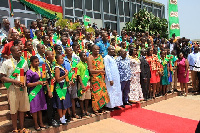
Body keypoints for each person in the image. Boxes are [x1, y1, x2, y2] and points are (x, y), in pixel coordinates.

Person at [0, 46, 30, 133]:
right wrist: (15, 81)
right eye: (18, 50)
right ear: (12, 52)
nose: (20, 51)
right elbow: (2, 77)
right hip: (12, 87)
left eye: (20, 50)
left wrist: (24, 82)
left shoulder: (24, 62)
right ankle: (15, 129)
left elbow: (24, 73)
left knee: (22, 109)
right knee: (13, 109)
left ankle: (22, 128)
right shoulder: (7, 63)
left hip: (22, 87)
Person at [26, 56, 48, 131]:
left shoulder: (40, 70)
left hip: (40, 91)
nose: (37, 63)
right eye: (35, 61)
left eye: (38, 61)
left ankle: (41, 123)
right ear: (31, 63)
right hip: (34, 92)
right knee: (35, 109)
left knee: (40, 108)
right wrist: (37, 83)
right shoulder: (29, 72)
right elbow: (27, 84)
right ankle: (36, 124)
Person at [87, 45, 109, 114]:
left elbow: (102, 66)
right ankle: (95, 109)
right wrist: (100, 71)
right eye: (95, 49)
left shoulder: (100, 57)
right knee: (96, 94)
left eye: (98, 49)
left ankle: (101, 107)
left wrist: (102, 71)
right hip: (95, 79)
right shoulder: (90, 58)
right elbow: (91, 70)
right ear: (92, 50)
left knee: (102, 93)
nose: (97, 51)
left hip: (101, 78)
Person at [54, 54, 71, 124]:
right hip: (59, 86)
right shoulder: (57, 68)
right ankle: (61, 117)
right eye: (61, 58)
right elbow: (57, 79)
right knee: (60, 102)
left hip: (64, 85)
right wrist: (65, 75)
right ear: (57, 60)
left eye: (63, 58)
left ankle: (63, 117)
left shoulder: (62, 67)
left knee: (66, 102)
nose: (62, 60)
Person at [64, 47, 80, 119]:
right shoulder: (64, 60)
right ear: (66, 52)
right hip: (67, 82)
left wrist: (75, 78)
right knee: (67, 98)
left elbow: (76, 70)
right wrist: (69, 81)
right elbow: (64, 72)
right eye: (69, 50)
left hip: (74, 81)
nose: (71, 51)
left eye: (71, 50)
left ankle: (74, 113)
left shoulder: (75, 60)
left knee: (73, 98)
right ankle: (68, 114)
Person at [45, 50, 59, 127]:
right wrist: (49, 90)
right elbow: (45, 79)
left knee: (53, 104)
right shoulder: (45, 65)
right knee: (49, 105)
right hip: (48, 88)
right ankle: (50, 120)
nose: (53, 55)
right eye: (52, 54)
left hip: (53, 86)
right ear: (47, 56)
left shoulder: (52, 64)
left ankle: (53, 118)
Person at [76, 52, 92, 117]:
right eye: (83, 56)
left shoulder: (86, 64)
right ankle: (82, 111)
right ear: (80, 57)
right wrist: (82, 84)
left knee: (87, 98)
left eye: (86, 55)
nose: (85, 57)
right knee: (82, 98)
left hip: (87, 82)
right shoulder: (78, 65)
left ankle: (86, 110)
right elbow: (78, 75)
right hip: (82, 83)